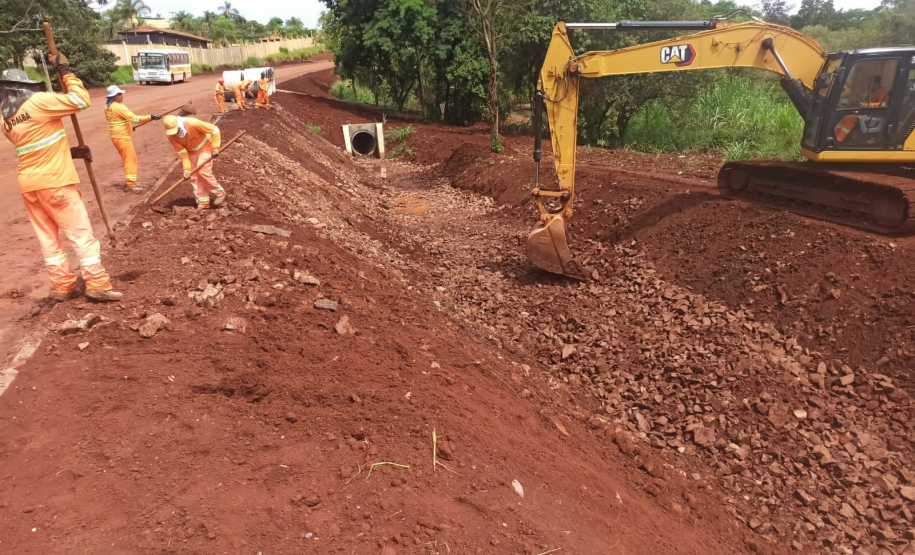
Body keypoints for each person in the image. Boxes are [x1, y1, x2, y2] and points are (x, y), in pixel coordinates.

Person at [0, 56, 122, 302]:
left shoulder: (6, 120)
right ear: (25, 87)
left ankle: (62, 285)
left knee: (49, 240)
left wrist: (71, 152)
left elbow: (36, 147)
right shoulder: (39, 102)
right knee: (80, 234)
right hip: (55, 183)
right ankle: (97, 283)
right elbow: (80, 100)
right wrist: (65, 71)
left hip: (30, 186)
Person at [162, 115, 226, 209]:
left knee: (203, 170)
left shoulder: (192, 123)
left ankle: (220, 193)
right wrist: (187, 169)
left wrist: (215, 147)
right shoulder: (171, 135)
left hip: (205, 147)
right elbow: (183, 153)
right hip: (191, 152)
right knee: (193, 176)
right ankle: (203, 202)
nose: (175, 133)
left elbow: (214, 129)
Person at [105, 85, 159, 193]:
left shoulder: (107, 106)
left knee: (127, 159)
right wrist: (151, 117)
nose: (122, 96)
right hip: (122, 137)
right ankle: (130, 184)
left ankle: (130, 182)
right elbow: (135, 118)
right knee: (130, 160)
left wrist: (129, 127)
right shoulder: (119, 107)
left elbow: (118, 121)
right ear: (114, 96)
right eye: (120, 94)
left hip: (116, 136)